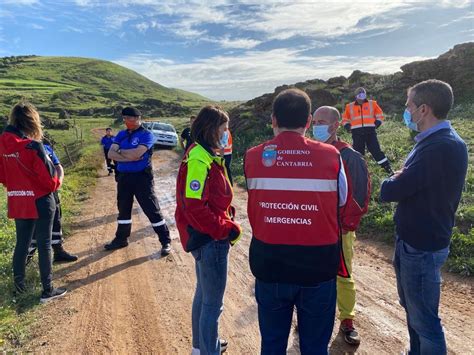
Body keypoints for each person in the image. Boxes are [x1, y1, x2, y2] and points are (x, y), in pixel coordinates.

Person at [245, 89, 348, 355]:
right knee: (315, 347)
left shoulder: (253, 156)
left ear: (273, 120)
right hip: (318, 265)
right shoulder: (332, 155)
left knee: (272, 345)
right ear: (309, 120)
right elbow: (342, 200)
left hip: (270, 264)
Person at [380, 79, 468, 354]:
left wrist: (391, 182)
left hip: (421, 244)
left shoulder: (438, 147)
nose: (406, 112)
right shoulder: (436, 141)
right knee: (414, 310)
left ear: (424, 109)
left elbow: (394, 189)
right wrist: (401, 179)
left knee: (424, 320)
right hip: (417, 240)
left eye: (409, 106)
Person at [175, 105, 242, 355]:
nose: (227, 134)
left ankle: (201, 346)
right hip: (209, 239)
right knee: (213, 304)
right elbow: (194, 206)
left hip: (206, 237)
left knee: (203, 295)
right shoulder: (199, 158)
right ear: (211, 129)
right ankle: (208, 351)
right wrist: (223, 229)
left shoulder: (205, 154)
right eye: (224, 129)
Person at [312, 106, 371, 346]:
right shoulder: (311, 152)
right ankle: (313, 317)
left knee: (343, 274)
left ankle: (347, 319)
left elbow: (359, 193)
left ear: (335, 125)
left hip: (339, 228)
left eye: (321, 121)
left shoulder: (349, 156)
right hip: (314, 227)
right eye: (314, 121)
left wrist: (347, 224)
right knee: (315, 275)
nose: (316, 126)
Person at [0, 101, 67, 303]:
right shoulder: (34, 146)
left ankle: (19, 287)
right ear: (33, 121)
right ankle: (48, 290)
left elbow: (3, 176)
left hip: (18, 199)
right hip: (40, 200)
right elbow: (49, 182)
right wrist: (59, 178)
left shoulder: (2, 143)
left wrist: (18, 186)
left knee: (22, 243)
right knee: (45, 243)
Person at [104, 107, 171, 256]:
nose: (128, 121)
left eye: (131, 118)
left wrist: (120, 152)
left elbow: (136, 154)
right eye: (125, 118)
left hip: (142, 178)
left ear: (139, 118)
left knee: (152, 209)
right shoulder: (121, 134)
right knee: (124, 209)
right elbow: (110, 153)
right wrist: (126, 155)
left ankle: (165, 241)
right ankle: (121, 239)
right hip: (123, 177)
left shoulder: (147, 135)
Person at [28, 141, 78, 263]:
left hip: (51, 191)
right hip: (33, 193)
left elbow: (58, 166)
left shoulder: (46, 147)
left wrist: (58, 182)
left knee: (56, 219)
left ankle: (58, 251)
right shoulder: (24, 148)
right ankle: (26, 258)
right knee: (33, 226)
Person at [342, 87, 393, 175]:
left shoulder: (372, 104)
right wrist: (347, 125)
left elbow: (380, 114)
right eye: (359, 93)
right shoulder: (349, 106)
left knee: (376, 151)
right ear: (356, 96)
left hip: (370, 132)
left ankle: (388, 170)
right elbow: (345, 119)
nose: (361, 94)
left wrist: (377, 123)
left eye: (363, 93)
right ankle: (361, 172)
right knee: (358, 153)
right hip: (357, 133)